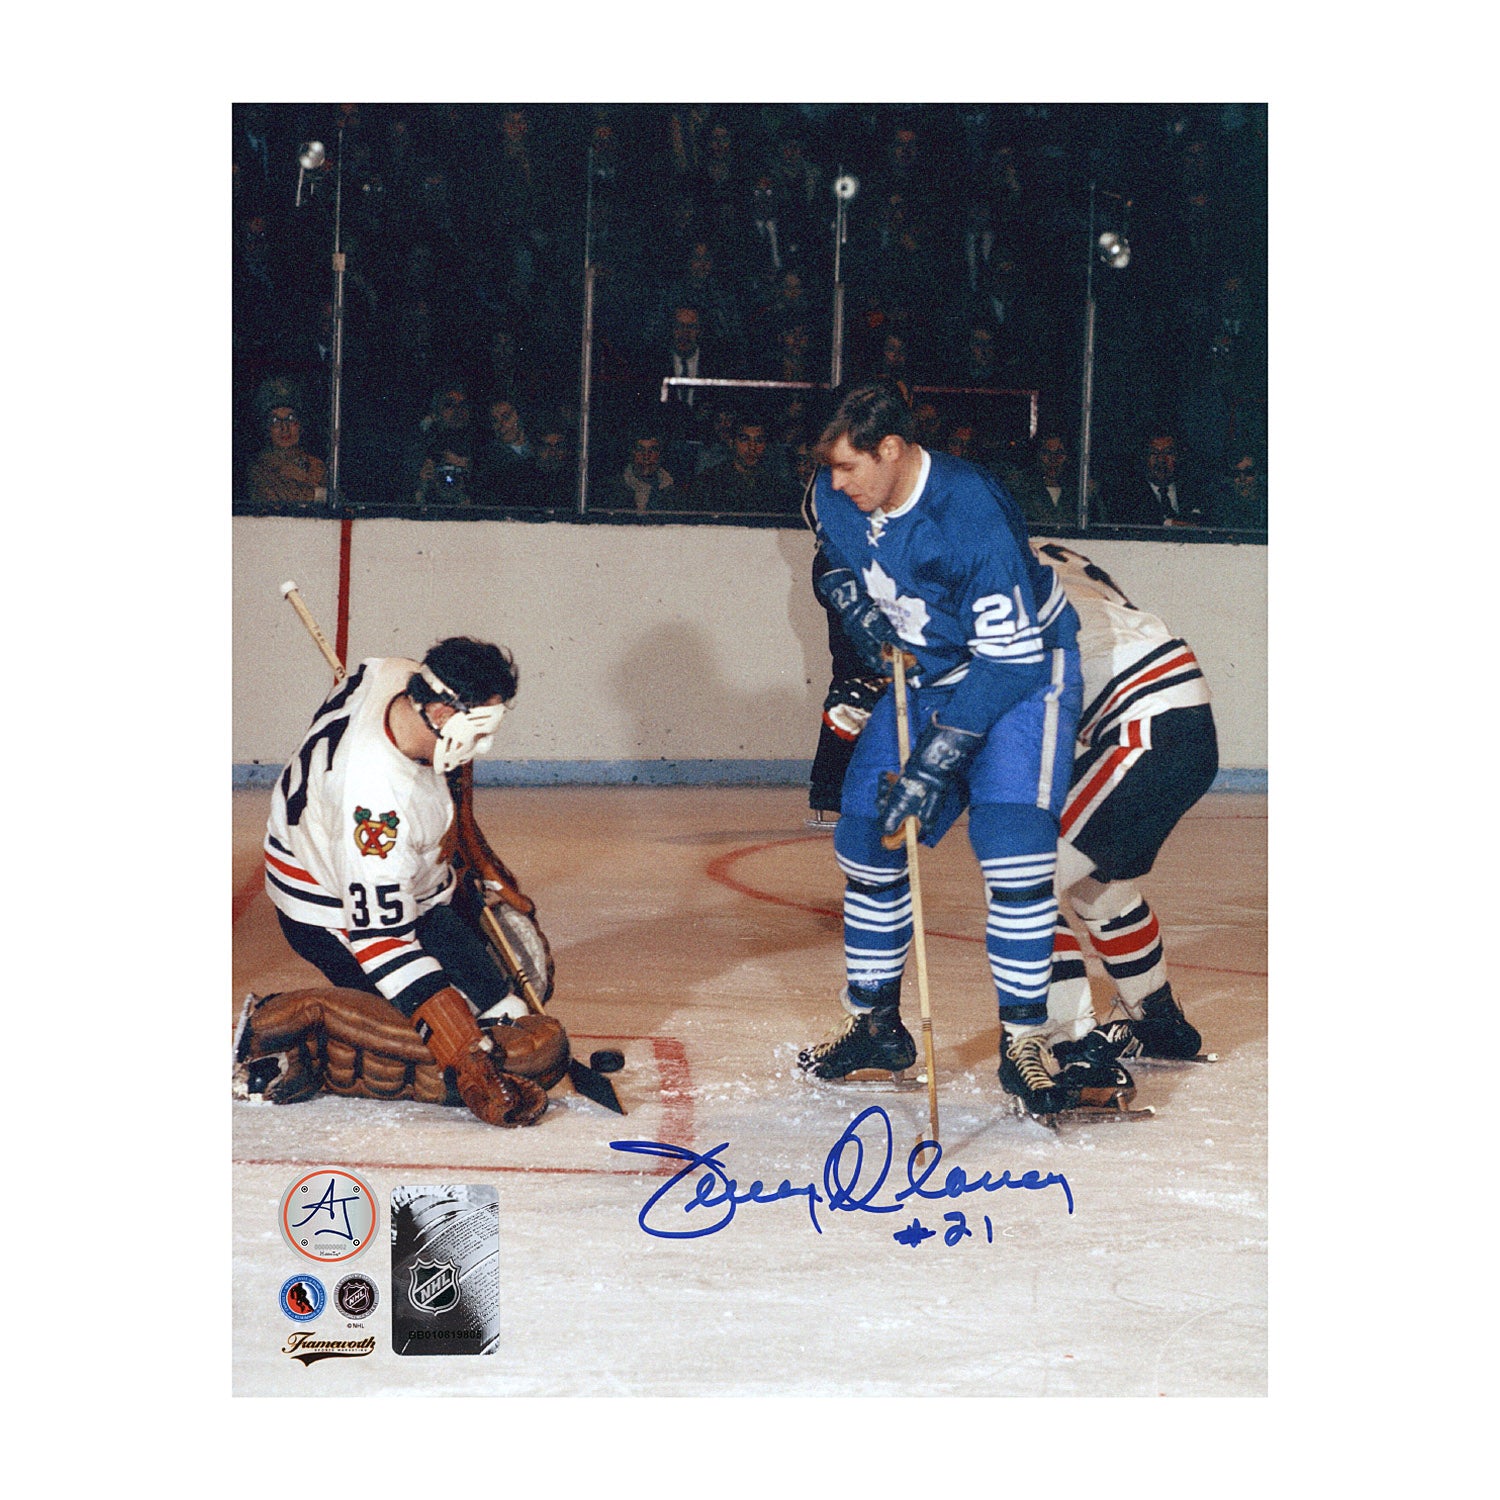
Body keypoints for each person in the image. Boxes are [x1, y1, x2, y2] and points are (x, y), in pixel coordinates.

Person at [797, 379, 1088, 1116]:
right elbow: (832, 555)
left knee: (1014, 846)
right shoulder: (836, 491)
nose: (836, 482)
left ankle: (1025, 1041)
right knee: (866, 838)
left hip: (1020, 673)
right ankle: (874, 1025)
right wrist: (849, 599)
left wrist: (935, 760)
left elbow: (1009, 660)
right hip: (925, 672)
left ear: (891, 449)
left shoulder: (969, 513)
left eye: (848, 466)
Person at [261, 637, 549, 1126]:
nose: (484, 745)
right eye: (478, 731)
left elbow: (444, 778)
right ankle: (281, 1036)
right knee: (421, 1051)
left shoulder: (394, 674)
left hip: (404, 883)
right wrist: (464, 1052)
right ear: (438, 712)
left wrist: (476, 863)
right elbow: (382, 941)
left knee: (506, 1009)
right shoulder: (376, 805)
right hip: (329, 909)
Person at [1027, 540, 1218, 1096]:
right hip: (1179, 723)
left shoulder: (982, 566)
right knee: (1096, 886)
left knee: (1026, 883)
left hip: (1142, 730)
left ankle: (1077, 1046)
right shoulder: (1047, 551)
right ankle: (1158, 1020)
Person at [245, 378, 327, 508]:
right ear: (265, 428)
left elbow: (339, 501)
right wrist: (319, 494)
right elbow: (280, 499)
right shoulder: (260, 468)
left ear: (300, 424)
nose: (285, 428)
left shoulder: (317, 465)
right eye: (275, 421)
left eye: (291, 418)